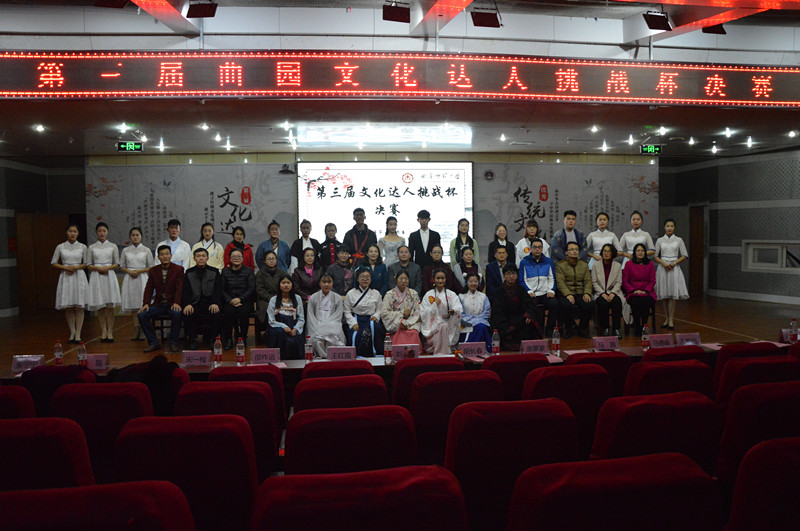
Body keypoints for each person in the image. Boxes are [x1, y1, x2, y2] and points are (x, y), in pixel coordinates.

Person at [139, 245, 184, 353]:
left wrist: (177, 302)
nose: (165, 256)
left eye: (167, 254)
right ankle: (153, 342)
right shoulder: (153, 270)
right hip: (158, 304)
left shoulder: (178, 269)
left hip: (172, 304)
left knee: (177, 314)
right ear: (158, 257)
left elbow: (180, 287)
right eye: (162, 254)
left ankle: (173, 342)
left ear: (171, 255)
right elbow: (149, 288)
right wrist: (146, 303)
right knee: (142, 315)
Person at [51, 223, 89, 343]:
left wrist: (76, 267)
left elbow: (86, 263)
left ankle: (78, 333)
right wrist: (66, 267)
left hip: (78, 276)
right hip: (66, 276)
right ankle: (72, 332)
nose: (72, 233)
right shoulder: (60, 247)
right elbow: (53, 262)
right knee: (68, 306)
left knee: (79, 306)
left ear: (78, 233)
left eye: (75, 231)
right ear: (66, 232)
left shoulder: (83, 247)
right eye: (70, 231)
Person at [491, 264, 543, 349]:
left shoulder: (521, 289)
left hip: (520, 319)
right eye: (508, 274)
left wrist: (528, 314)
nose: (511, 276)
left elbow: (529, 304)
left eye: (514, 274)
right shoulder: (499, 292)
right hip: (506, 321)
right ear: (504, 276)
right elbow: (497, 312)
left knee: (529, 322)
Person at [86, 221, 121, 342]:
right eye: (99, 231)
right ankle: (103, 331)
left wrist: (108, 267)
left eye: (104, 231)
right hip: (97, 276)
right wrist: (97, 268)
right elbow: (88, 264)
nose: (102, 233)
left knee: (109, 306)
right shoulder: (92, 247)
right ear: (96, 232)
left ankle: (110, 331)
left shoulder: (112, 246)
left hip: (109, 275)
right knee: (100, 306)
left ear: (107, 232)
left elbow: (117, 263)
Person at [181, 248, 222, 350]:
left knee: (216, 313)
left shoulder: (214, 271)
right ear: (194, 258)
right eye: (198, 256)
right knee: (188, 312)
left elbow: (218, 289)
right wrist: (188, 304)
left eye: (203, 256)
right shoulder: (189, 272)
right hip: (194, 303)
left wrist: (215, 302)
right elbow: (186, 291)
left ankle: (213, 340)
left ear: (207, 258)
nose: (201, 258)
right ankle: (193, 340)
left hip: (210, 302)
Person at [518, 238, 559, 336]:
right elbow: (522, 280)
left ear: (542, 249)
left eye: (539, 247)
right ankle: (537, 330)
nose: (537, 249)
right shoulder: (524, 262)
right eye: (535, 247)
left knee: (555, 305)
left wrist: (551, 290)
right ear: (531, 249)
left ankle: (549, 329)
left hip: (545, 292)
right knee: (531, 307)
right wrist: (529, 291)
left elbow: (552, 278)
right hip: (532, 293)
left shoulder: (548, 261)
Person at [120, 227, 155, 341]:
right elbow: (121, 266)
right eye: (133, 235)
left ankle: (144, 329)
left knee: (143, 304)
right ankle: (136, 329)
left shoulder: (146, 250)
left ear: (141, 236)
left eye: (137, 235)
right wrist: (129, 271)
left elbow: (151, 267)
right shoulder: (125, 250)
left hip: (142, 278)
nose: (135, 237)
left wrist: (139, 271)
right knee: (133, 305)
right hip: (130, 279)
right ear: (130, 237)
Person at [654, 219, 689, 329]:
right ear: (664, 227)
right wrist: (664, 263)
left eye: (672, 226)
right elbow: (655, 256)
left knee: (672, 295)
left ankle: (671, 320)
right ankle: (666, 318)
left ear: (674, 227)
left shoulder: (679, 240)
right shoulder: (660, 240)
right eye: (668, 226)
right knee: (664, 295)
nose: (669, 228)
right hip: (663, 268)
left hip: (674, 268)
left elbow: (685, 255)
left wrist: (674, 263)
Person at [555, 241, 595, 338]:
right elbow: (560, 283)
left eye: (576, 249)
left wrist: (587, 293)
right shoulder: (561, 265)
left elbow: (588, 281)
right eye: (571, 249)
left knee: (589, 305)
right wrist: (568, 294)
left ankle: (582, 328)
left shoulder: (584, 265)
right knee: (565, 305)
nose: (574, 251)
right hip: (566, 293)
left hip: (580, 293)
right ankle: (569, 328)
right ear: (566, 252)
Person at [344, 267, 385, 357]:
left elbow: (379, 309)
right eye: (362, 277)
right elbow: (347, 311)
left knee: (377, 328)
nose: (365, 279)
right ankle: (357, 354)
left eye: (367, 277)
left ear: (371, 279)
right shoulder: (350, 293)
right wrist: (353, 323)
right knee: (354, 332)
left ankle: (377, 353)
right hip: (356, 319)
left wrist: (376, 316)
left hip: (371, 319)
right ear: (357, 279)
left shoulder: (376, 293)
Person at [420, 269, 463, 354]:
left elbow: (458, 307)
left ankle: (442, 352)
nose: (440, 281)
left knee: (444, 326)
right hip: (432, 325)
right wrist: (434, 305)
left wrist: (453, 311)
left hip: (448, 323)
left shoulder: (451, 294)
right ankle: (442, 352)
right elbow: (423, 313)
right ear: (433, 279)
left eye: (442, 278)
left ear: (446, 279)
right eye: (438, 278)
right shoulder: (428, 295)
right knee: (442, 326)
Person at [221, 248, 256, 349]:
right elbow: (221, 289)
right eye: (234, 256)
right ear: (230, 259)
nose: (236, 258)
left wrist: (240, 299)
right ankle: (228, 339)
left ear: (243, 258)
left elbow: (251, 288)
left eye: (239, 256)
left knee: (243, 312)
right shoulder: (225, 272)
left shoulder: (249, 271)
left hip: (244, 301)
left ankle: (242, 338)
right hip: (229, 301)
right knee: (228, 312)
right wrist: (230, 300)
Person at [306, 274, 346, 358]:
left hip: (332, 327)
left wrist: (327, 328)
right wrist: (319, 328)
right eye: (324, 282)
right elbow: (311, 316)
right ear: (320, 283)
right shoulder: (313, 297)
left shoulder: (337, 298)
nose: (326, 285)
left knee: (333, 339)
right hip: (316, 326)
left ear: (332, 283)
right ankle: (321, 358)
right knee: (317, 341)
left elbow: (338, 315)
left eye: (329, 282)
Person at [381, 270, 423, 350]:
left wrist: (407, 323)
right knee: (399, 332)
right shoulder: (389, 294)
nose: (403, 281)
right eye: (401, 278)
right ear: (395, 280)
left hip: (411, 323)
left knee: (413, 333)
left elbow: (417, 311)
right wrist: (402, 314)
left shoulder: (413, 293)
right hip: (396, 323)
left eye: (406, 279)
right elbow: (384, 313)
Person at [267, 274, 305, 359]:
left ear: (292, 284)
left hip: (293, 327)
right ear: (279, 285)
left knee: (293, 341)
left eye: (288, 283)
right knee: (280, 334)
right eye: (283, 283)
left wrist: (296, 329)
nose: (286, 285)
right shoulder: (273, 300)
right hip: (278, 328)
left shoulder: (297, 298)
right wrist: (283, 327)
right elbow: (271, 320)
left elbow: (301, 318)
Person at [622, 243, 657, 336]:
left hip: (647, 292)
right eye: (638, 251)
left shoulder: (650, 264)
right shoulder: (628, 264)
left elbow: (652, 281)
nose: (640, 252)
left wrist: (646, 291)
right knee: (636, 302)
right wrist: (633, 290)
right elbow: (625, 281)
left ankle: (644, 326)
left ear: (645, 252)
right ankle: (637, 326)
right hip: (633, 292)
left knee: (645, 301)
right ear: (634, 252)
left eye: (642, 251)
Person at [592, 243, 624, 338]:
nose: (606, 253)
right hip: (600, 293)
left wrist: (613, 293)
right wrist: (602, 293)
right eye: (604, 251)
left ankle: (616, 328)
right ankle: (605, 328)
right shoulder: (596, 265)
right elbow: (594, 282)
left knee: (617, 302)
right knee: (603, 303)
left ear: (612, 253)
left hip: (614, 292)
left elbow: (619, 282)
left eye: (609, 251)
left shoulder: (617, 266)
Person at [459, 272, 492, 351]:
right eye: (470, 281)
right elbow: (460, 313)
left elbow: (486, 312)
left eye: (475, 281)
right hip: (466, 324)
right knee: (480, 327)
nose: (473, 283)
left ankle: (472, 349)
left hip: (482, 322)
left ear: (478, 282)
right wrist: (472, 321)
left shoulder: (483, 296)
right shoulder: (461, 296)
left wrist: (478, 320)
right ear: (466, 282)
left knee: (481, 326)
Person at [255, 250, 282, 344]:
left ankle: (281, 333)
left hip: (279, 298)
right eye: (269, 259)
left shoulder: (282, 273)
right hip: (265, 299)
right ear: (265, 261)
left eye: (273, 258)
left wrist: (278, 298)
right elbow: (259, 290)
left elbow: (286, 286)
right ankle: (268, 333)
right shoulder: (260, 274)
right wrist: (272, 298)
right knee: (266, 309)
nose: (271, 261)